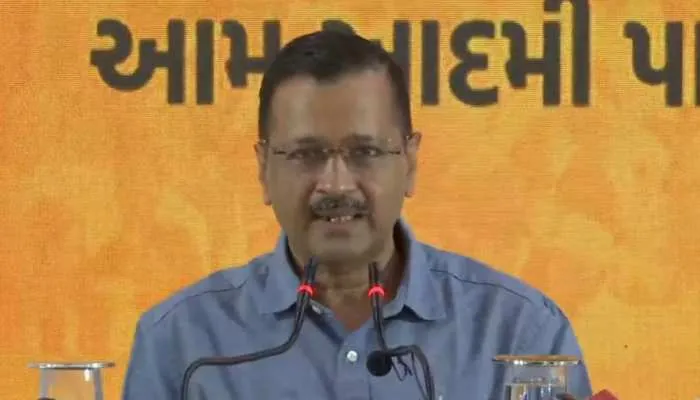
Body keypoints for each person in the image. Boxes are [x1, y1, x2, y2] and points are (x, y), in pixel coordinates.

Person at [122, 30, 593, 400]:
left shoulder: (520, 332)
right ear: (264, 170)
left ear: (410, 163)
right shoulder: (180, 344)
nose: (336, 184)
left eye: (365, 152)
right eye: (306, 154)